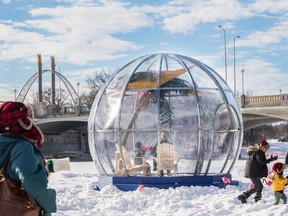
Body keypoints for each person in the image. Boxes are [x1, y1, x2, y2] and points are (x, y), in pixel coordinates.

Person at [0, 101, 57, 215]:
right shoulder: (22, 148)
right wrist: (48, 205)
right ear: (23, 123)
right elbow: (33, 184)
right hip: (17, 208)